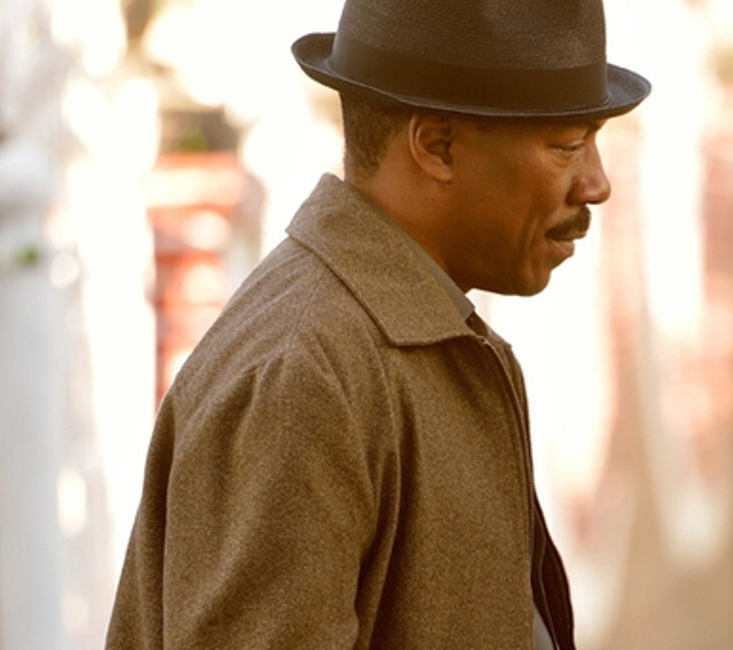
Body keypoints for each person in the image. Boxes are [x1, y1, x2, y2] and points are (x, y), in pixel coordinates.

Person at [105, 0, 649, 647]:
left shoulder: (410, 340)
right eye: (567, 146)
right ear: (437, 146)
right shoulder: (303, 377)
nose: (596, 183)